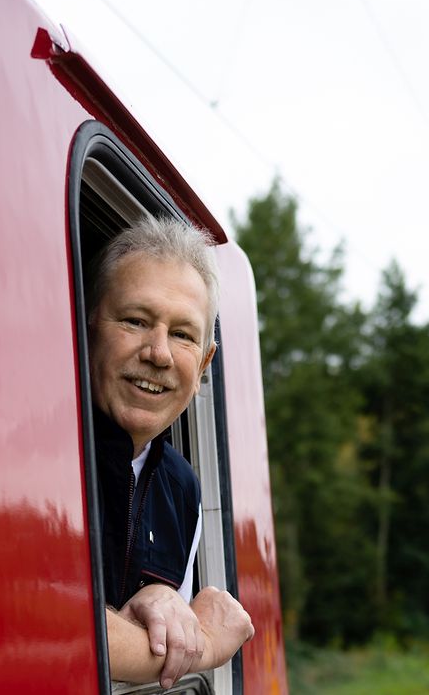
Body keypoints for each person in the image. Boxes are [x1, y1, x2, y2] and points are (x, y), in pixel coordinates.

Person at [86, 215, 254, 689]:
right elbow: (41, 621)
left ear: (204, 362)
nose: (158, 353)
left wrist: (162, 601)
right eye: (136, 321)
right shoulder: (33, 453)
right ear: (88, 325)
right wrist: (205, 643)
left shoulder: (184, 489)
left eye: (182, 334)